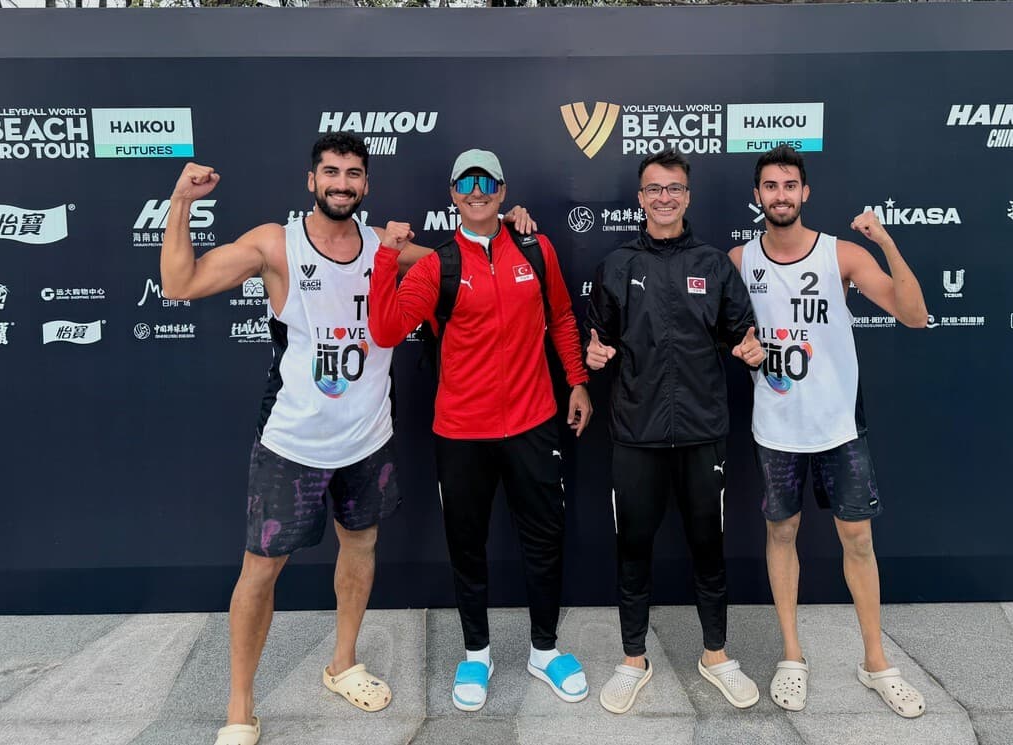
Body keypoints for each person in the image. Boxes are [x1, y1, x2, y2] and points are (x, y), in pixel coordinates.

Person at [159, 133, 534, 745]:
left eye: (353, 173)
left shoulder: (389, 248)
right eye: (331, 172)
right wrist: (180, 202)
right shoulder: (275, 243)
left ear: (366, 184)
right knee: (259, 571)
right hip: (293, 443)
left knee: (360, 548)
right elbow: (181, 283)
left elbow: (471, 253)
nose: (342, 183)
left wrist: (510, 224)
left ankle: (343, 663)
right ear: (312, 181)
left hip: (367, 438)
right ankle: (240, 706)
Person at [368, 149, 593, 712]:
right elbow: (387, 330)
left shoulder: (536, 249)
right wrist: (386, 256)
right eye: (465, 182)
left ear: (502, 190)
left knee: (544, 542)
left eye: (486, 181)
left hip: (534, 422)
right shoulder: (436, 265)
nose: (476, 190)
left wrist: (577, 381)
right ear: (452, 194)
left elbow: (562, 317)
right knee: (467, 546)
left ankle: (544, 650)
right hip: (462, 432)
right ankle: (477, 653)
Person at [731, 145, 929, 717]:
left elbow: (914, 316)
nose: (781, 195)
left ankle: (876, 662)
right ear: (757, 196)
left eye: (790, 185)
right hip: (776, 428)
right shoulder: (740, 260)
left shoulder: (841, 254)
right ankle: (792, 656)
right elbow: (717, 327)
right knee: (781, 535)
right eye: (771, 186)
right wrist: (739, 346)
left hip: (838, 426)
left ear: (805, 193)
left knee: (858, 540)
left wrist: (886, 243)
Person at [585, 147, 766, 714]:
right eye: (654, 189)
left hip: (701, 432)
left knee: (708, 548)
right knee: (632, 549)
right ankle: (633, 659)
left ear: (688, 196)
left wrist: (752, 349)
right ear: (640, 198)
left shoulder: (713, 265)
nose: (664, 198)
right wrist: (593, 355)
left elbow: (743, 332)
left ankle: (716, 655)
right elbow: (597, 338)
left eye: (674, 189)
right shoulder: (616, 265)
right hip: (635, 434)